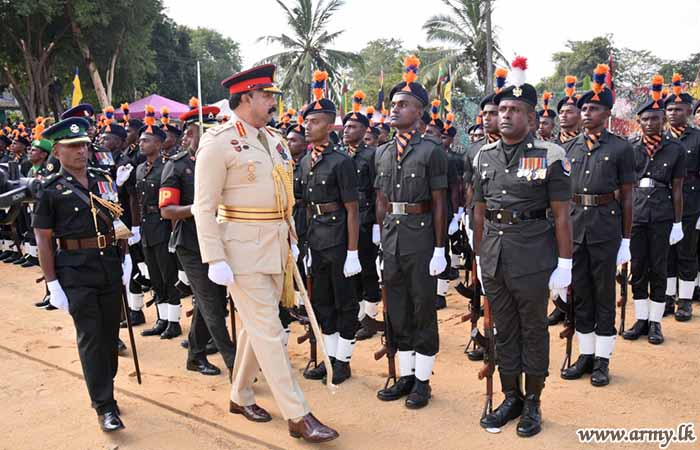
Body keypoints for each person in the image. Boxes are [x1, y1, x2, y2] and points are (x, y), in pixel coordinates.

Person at [192, 64, 338, 443]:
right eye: (267, 95)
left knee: (259, 329)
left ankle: (240, 395)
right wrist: (214, 258)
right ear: (246, 98)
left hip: (275, 245)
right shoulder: (218, 141)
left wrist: (289, 235)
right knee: (271, 332)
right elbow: (203, 207)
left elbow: (282, 194)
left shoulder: (272, 139)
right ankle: (298, 414)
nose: (273, 102)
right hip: (239, 250)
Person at [472, 56, 572, 437]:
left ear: (531, 118)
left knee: (532, 328)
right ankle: (510, 395)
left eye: (516, 110)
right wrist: (480, 258)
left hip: (532, 254)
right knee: (504, 330)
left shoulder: (550, 155)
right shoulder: (483, 156)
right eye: (502, 110)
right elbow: (478, 212)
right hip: (494, 256)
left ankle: (533, 402)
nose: (506, 115)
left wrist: (565, 264)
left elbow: (562, 215)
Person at [33, 117, 127, 432]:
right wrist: (52, 284)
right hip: (74, 270)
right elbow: (44, 240)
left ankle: (105, 387)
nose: (80, 152)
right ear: (57, 151)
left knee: (110, 336)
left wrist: (126, 259)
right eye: (72, 147)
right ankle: (105, 405)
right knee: (91, 337)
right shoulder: (50, 190)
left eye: (84, 146)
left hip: (109, 266)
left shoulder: (103, 179)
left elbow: (115, 221)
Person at [374, 55, 448, 409]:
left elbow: (439, 203)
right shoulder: (384, 153)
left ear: (419, 112)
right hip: (392, 240)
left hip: (420, 239)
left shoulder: (431, 152)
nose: (395, 109)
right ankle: (405, 374)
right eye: (393, 104)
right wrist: (378, 240)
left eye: (403, 105)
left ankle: (422, 381)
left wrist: (439, 248)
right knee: (397, 310)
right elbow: (381, 200)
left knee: (422, 309)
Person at [559, 64, 635, 387]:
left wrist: (626, 240)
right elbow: (560, 198)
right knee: (581, 294)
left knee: (604, 293)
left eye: (593, 108)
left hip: (606, 226)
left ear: (607, 113)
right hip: (576, 227)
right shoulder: (569, 148)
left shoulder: (620, 148)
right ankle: (586, 354)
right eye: (584, 108)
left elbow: (628, 197)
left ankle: (603, 359)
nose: (586, 112)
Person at [159, 100, 237, 376]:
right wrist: (198, 208)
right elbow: (167, 210)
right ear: (190, 135)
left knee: (212, 300)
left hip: (219, 240)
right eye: (203, 131)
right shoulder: (177, 166)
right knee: (212, 304)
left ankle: (195, 354)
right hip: (191, 244)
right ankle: (234, 362)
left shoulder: (223, 159)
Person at [297, 71, 361, 384]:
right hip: (315, 239)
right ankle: (330, 358)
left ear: (330, 125)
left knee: (344, 301)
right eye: (306, 122)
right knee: (322, 301)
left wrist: (353, 252)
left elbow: (352, 208)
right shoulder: (306, 162)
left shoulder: (341, 161)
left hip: (337, 239)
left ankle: (344, 360)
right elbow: (304, 206)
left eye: (314, 121)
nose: (307, 126)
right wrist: (302, 243)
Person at [623, 75, 686, 345]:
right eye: (646, 119)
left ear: (663, 121)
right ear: (639, 121)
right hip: (636, 213)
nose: (651, 123)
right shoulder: (630, 148)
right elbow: (623, 188)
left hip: (661, 214)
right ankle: (641, 318)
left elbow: (678, 188)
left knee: (659, 268)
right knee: (638, 267)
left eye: (656, 119)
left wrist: (678, 222)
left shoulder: (676, 149)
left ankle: (656, 322)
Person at [135, 107, 182, 339]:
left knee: (168, 274)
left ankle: (174, 321)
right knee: (155, 275)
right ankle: (162, 318)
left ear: (159, 143)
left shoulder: (167, 167)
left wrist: (174, 235)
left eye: (147, 140)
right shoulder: (139, 169)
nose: (141, 144)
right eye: (141, 140)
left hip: (163, 226)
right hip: (146, 226)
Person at [340, 91, 382, 340]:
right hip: (344, 221)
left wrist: (378, 224)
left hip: (366, 220)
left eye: (353, 126)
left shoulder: (372, 155)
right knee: (350, 271)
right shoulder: (339, 153)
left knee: (367, 269)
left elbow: (379, 192)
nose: (347, 130)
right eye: (345, 126)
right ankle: (356, 316)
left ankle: (370, 319)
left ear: (364, 130)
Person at [663, 74, 700, 321]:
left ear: (689, 111)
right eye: (669, 109)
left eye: (678, 109)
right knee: (665, 253)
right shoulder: (659, 137)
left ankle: (685, 300)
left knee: (686, 252)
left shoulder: (697, 137)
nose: (673, 113)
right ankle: (667, 297)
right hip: (662, 204)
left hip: (690, 203)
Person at [555, 75, 582, 146]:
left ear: (580, 116)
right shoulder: (550, 144)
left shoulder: (587, 144)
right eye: (561, 112)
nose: (563, 115)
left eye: (569, 112)